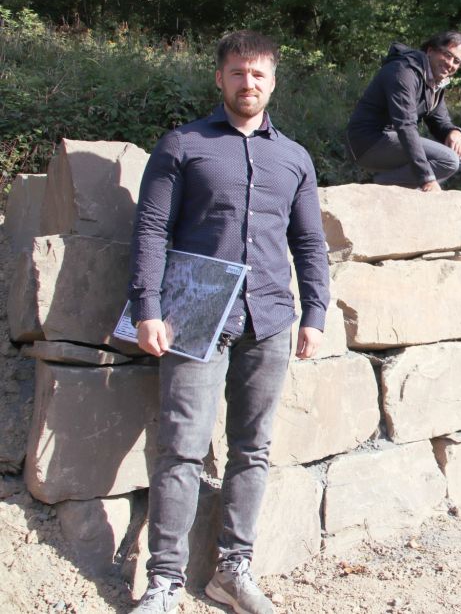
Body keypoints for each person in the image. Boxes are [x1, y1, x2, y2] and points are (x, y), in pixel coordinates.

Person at [128, 30, 330, 613]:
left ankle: (232, 571)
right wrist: (148, 307)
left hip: (269, 317)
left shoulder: (293, 158)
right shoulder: (182, 145)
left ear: (273, 81)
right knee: (181, 449)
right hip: (194, 317)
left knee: (253, 449)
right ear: (220, 78)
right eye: (238, 73)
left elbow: (309, 242)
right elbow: (150, 232)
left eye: (260, 75)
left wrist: (314, 313)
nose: (249, 84)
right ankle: (164, 581)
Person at [346, 31, 461, 191]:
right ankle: (378, 185)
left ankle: (396, 188)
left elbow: (439, 120)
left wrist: (454, 132)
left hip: (393, 140)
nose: (450, 63)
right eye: (447, 55)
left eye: (456, 61)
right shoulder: (404, 71)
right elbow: (405, 125)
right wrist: (427, 177)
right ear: (431, 51)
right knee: (449, 160)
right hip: (367, 142)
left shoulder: (434, 81)